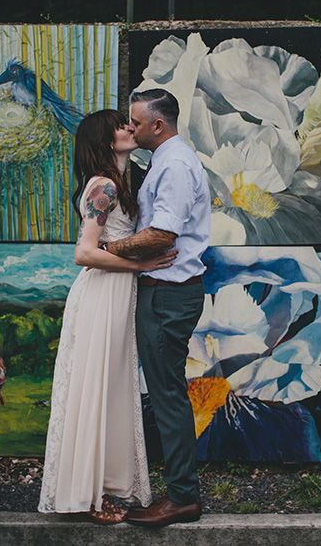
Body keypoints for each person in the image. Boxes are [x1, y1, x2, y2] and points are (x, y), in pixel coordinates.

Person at [38, 109, 177, 525]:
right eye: (121, 126)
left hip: (115, 295)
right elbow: (84, 252)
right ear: (104, 139)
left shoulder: (117, 184)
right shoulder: (104, 187)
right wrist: (139, 266)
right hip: (102, 294)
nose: (129, 129)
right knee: (96, 389)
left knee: (111, 388)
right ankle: (88, 496)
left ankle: (102, 486)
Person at [103, 89, 211, 527]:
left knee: (167, 397)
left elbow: (161, 235)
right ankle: (179, 492)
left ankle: (183, 498)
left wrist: (106, 247)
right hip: (160, 292)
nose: (130, 127)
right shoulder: (164, 162)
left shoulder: (177, 165)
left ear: (158, 126)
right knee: (166, 395)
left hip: (169, 294)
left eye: (136, 121)